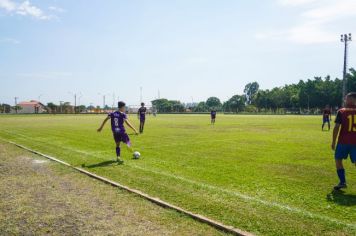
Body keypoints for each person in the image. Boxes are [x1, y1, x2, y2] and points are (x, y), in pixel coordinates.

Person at [331, 92, 356, 190]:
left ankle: (342, 182)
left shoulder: (342, 111)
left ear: (351, 99)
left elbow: (337, 127)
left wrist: (333, 141)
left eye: (346, 98)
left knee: (338, 160)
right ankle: (342, 182)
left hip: (343, 142)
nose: (345, 100)